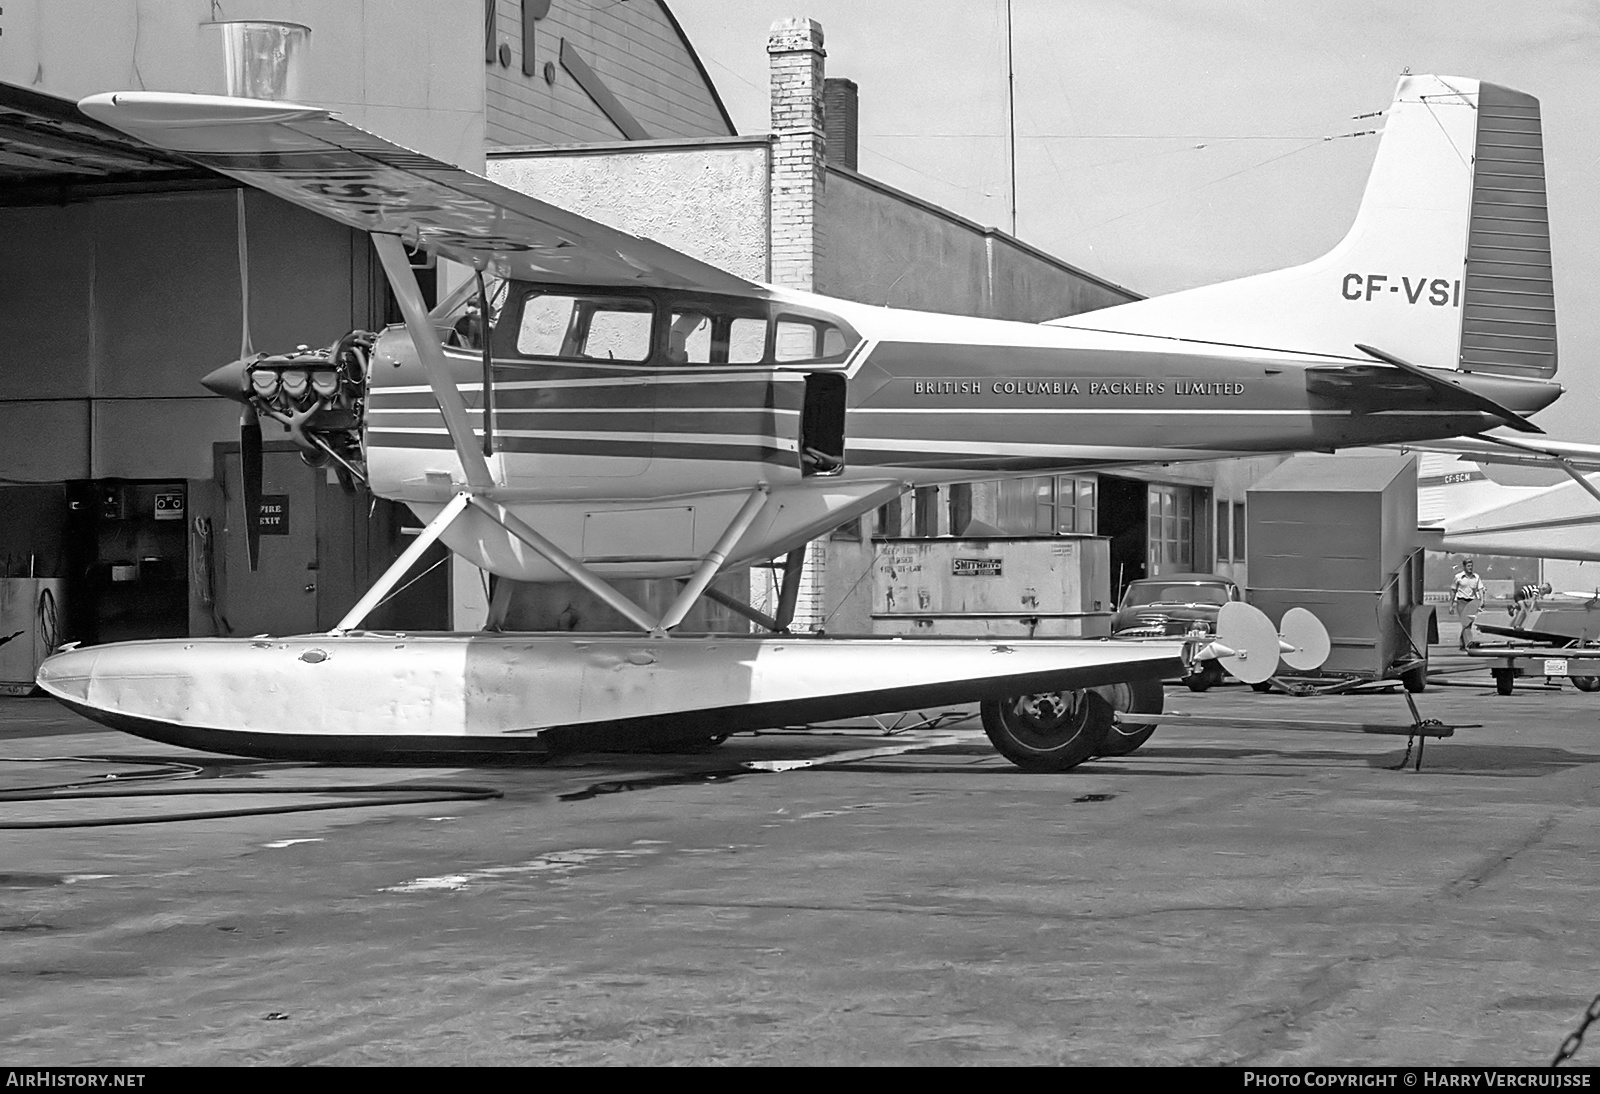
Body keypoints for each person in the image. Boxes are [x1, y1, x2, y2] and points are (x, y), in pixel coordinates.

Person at [1451, 559, 1487, 650]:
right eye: (1468, 566)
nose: (1470, 568)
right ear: (1464, 567)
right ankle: (1469, 643)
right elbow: (1453, 590)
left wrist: (1482, 601)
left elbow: (1481, 589)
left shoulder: (1476, 577)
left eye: (1471, 566)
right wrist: (1451, 604)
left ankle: (1462, 644)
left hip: (1472, 602)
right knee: (1465, 623)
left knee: (1468, 624)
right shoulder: (1459, 577)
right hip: (1461, 601)